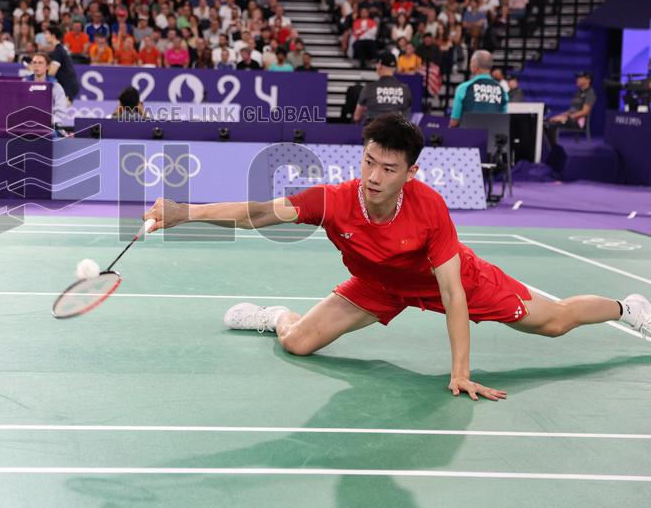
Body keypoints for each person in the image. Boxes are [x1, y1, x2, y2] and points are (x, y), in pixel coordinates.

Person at [142, 114, 651, 400]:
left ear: (410, 172)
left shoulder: (430, 209)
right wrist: (184, 212)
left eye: (389, 168)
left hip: (444, 280)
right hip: (378, 285)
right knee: (297, 343)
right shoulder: (333, 200)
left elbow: (452, 293)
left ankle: (627, 308)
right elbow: (257, 213)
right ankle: (274, 316)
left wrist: (460, 370)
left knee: (555, 322)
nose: (374, 176)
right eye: (369, 161)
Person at [449, 50, 508, 127]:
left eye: (470, 62)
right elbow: (503, 120)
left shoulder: (463, 88)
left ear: (475, 64)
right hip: (492, 137)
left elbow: (454, 122)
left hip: (468, 136)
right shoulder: (502, 90)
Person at [354, 52, 412, 125]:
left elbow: (356, 117)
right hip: (396, 132)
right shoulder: (405, 89)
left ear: (380, 65)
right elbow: (406, 117)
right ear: (395, 68)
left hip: (373, 132)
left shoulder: (369, 88)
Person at [544, 71, 596, 144]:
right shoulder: (578, 93)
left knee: (551, 125)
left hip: (578, 122)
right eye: (577, 78)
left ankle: (553, 147)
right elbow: (571, 110)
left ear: (588, 80)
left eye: (580, 78)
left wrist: (567, 118)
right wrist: (559, 116)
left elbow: (585, 112)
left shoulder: (590, 93)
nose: (577, 79)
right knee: (548, 121)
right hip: (570, 118)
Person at [27, 52, 69, 129]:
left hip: (49, 127)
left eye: (40, 63)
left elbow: (60, 112)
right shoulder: (23, 84)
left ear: (47, 66)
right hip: (26, 125)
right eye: (34, 62)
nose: (37, 65)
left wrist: (52, 123)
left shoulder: (56, 87)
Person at [45, 26, 79, 101]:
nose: (45, 36)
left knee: (60, 110)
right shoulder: (59, 49)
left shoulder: (58, 51)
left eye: (46, 34)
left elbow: (52, 73)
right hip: (67, 85)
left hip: (68, 86)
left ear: (53, 36)